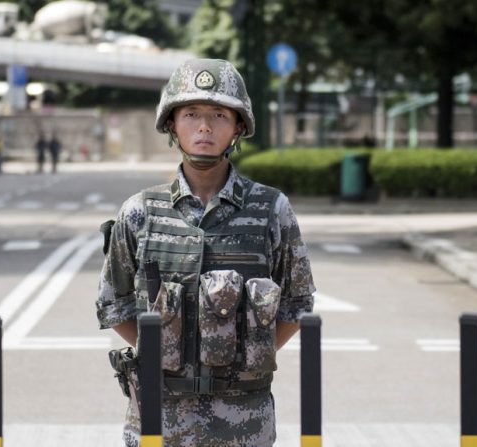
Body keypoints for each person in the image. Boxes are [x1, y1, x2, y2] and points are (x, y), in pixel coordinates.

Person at [96, 59, 315, 447]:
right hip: (159, 417)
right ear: (171, 125)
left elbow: (297, 305)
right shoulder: (140, 211)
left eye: (218, 114)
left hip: (244, 420)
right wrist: (163, 353)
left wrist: (248, 353)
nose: (204, 127)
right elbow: (115, 305)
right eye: (191, 114)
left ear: (238, 127)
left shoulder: (271, 209)